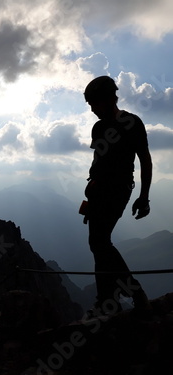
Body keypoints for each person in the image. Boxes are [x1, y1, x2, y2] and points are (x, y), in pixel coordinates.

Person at [82, 76, 152, 316]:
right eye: (90, 105)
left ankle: (132, 292)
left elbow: (145, 160)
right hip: (99, 190)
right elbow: (98, 160)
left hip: (118, 189)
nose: (92, 110)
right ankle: (108, 298)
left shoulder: (132, 123)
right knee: (98, 243)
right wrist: (91, 192)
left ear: (110, 99)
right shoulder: (99, 127)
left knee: (99, 241)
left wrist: (144, 197)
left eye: (95, 104)